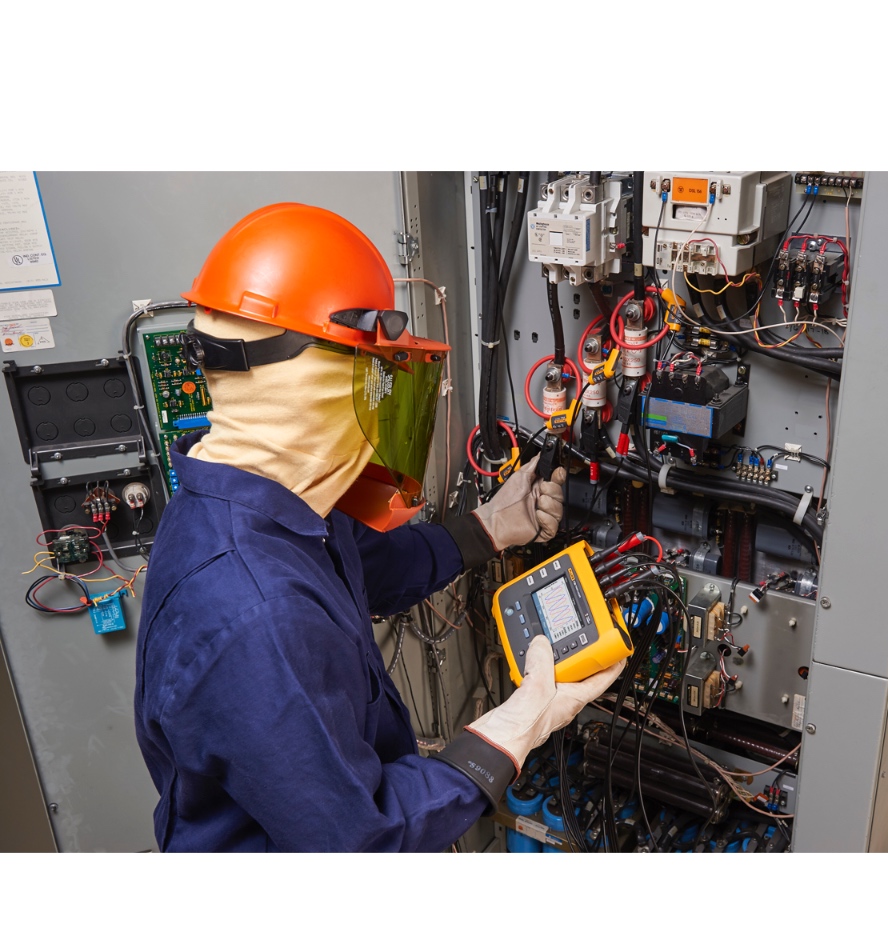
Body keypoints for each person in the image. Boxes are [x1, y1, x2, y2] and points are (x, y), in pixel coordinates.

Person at [134, 203, 624, 852]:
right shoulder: (258, 616)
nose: (384, 400)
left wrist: (490, 527)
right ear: (324, 387)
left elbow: (368, 567)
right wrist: (519, 725)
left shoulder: (249, 495)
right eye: (379, 378)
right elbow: (361, 842)